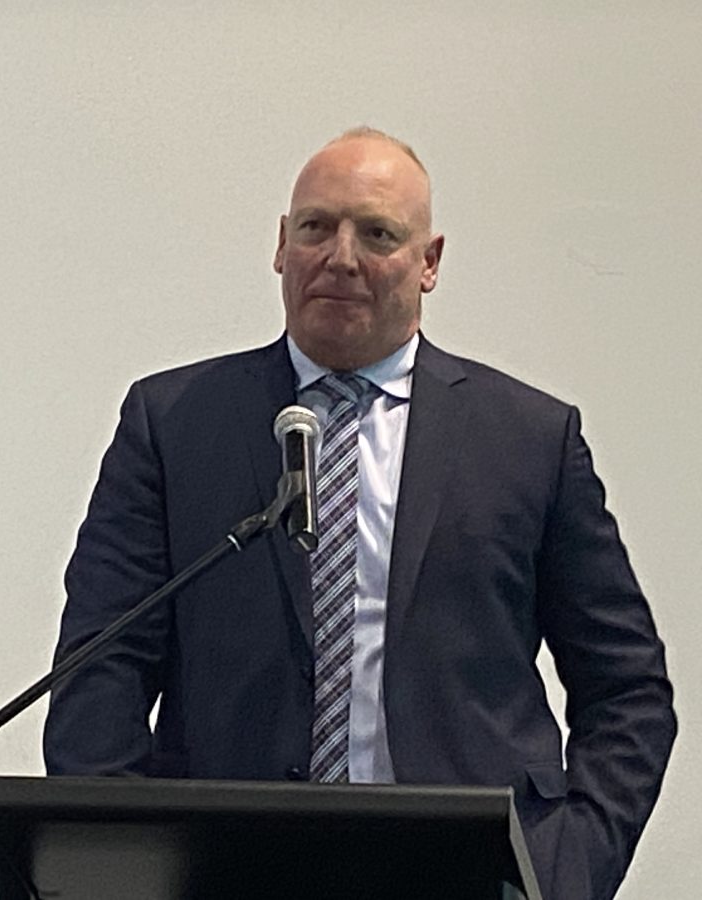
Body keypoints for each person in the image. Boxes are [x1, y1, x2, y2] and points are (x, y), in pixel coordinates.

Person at [42, 127, 676, 899]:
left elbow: (627, 689)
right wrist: (117, 865)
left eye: (377, 234)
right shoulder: (175, 424)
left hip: (467, 876)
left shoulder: (528, 440)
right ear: (281, 245)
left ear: (429, 262)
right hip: (227, 870)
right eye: (317, 227)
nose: (340, 257)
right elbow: (101, 666)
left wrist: (564, 870)